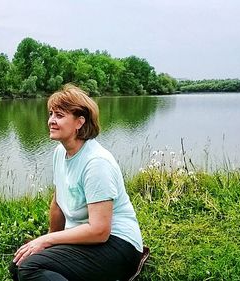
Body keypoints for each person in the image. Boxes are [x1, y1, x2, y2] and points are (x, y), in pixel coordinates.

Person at [10, 84, 143, 281]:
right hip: (85, 239)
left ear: (79, 122)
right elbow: (58, 203)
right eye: (51, 114)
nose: (51, 121)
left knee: (30, 268)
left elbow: (100, 231)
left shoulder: (96, 163)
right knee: (19, 265)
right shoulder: (60, 153)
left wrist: (47, 240)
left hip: (118, 245)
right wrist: (46, 243)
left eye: (59, 115)